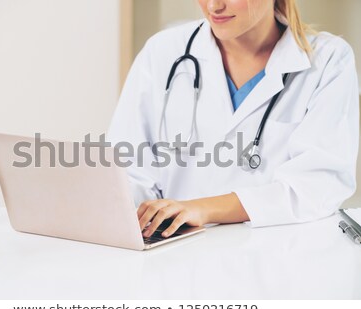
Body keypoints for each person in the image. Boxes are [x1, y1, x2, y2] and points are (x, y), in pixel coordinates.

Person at [107, 0, 359, 238]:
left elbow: (318, 185)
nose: (214, 5)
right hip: (175, 258)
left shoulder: (328, 61)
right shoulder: (162, 51)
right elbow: (128, 170)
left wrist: (202, 209)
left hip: (274, 260)